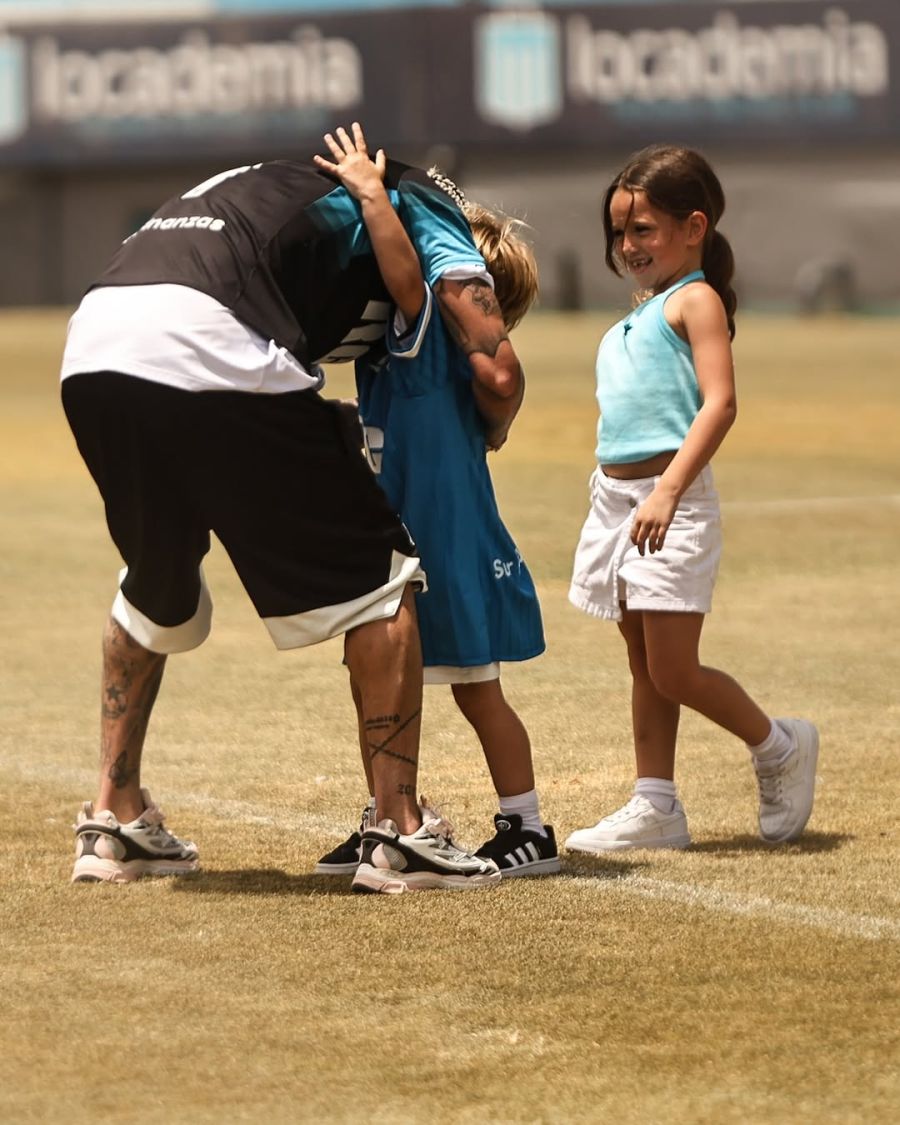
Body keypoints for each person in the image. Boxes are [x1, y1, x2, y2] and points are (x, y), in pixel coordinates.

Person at [60, 126, 529, 892]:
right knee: (385, 578)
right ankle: (401, 829)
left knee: (155, 576)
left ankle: (113, 819)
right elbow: (495, 363)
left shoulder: (287, 184)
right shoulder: (432, 203)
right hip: (212, 335)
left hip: (96, 340)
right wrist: (496, 425)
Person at [311, 124, 559, 886]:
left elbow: (408, 273)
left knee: (479, 691)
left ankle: (528, 825)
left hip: (453, 543)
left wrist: (375, 194)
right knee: (377, 682)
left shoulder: (429, 335)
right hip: (403, 541)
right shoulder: (384, 343)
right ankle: (390, 815)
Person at [564, 144, 819, 854]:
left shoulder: (696, 300)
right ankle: (657, 804)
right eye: (619, 231)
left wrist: (668, 491)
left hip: (665, 503)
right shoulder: (639, 313)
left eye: (643, 228)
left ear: (693, 226)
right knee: (644, 663)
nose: (627, 245)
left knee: (673, 666)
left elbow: (720, 403)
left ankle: (778, 746)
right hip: (617, 503)